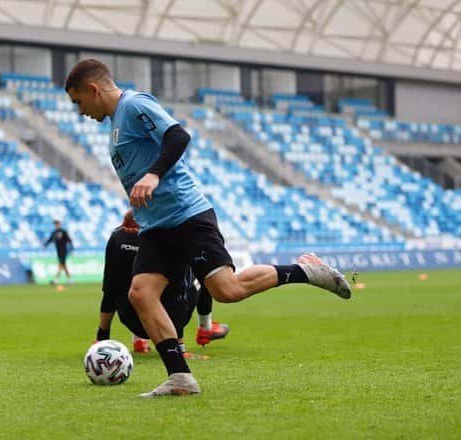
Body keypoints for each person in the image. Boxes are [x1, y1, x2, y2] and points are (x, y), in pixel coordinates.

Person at [65, 59, 351, 397]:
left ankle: (306, 271)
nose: (80, 111)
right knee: (141, 293)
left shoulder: (134, 105)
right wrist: (135, 209)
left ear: (93, 89)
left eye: (78, 101)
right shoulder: (116, 124)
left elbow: (177, 135)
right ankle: (180, 378)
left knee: (226, 290)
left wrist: (154, 174)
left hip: (187, 217)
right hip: (155, 225)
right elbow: (142, 167)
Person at [96, 210, 229, 357]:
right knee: (203, 273)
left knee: (132, 277)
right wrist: (179, 346)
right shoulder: (171, 236)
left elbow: (110, 288)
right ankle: (205, 328)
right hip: (165, 324)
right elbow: (178, 293)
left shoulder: (117, 236)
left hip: (130, 320)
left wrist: (102, 337)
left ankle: (138, 340)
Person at [44, 219, 74, 284]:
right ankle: (70, 279)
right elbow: (50, 239)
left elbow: (69, 240)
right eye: (55, 224)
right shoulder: (54, 232)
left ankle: (56, 280)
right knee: (63, 264)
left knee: (61, 264)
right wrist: (45, 244)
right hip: (58, 251)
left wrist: (71, 248)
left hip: (64, 250)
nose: (56, 225)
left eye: (57, 224)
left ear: (59, 224)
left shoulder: (63, 232)